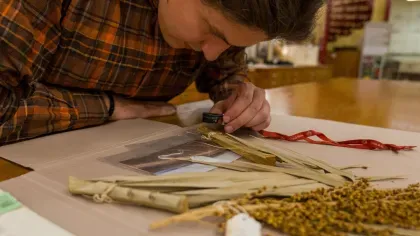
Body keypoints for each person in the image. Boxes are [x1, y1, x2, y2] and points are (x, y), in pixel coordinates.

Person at [0, 0, 323, 145]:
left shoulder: (225, 22)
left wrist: (239, 95)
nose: (211, 52)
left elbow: (224, 71)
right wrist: (108, 108)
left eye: (232, 45)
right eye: (212, 31)